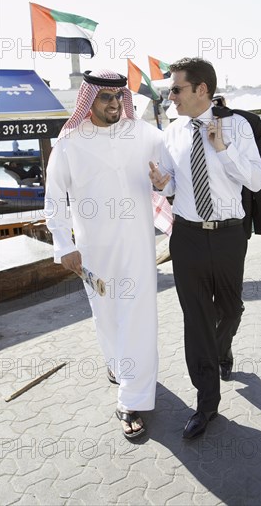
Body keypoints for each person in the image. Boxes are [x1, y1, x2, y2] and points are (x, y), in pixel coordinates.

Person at [149, 57, 261, 439]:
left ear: (202, 89)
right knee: (196, 319)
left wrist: (222, 148)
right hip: (187, 237)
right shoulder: (172, 131)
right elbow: (172, 187)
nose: (171, 96)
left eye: (177, 89)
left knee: (231, 307)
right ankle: (206, 403)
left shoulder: (238, 126)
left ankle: (222, 347)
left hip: (230, 235)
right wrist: (161, 182)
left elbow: (256, 179)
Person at [44, 69, 166, 439]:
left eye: (118, 97)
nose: (114, 104)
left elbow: (174, 165)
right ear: (89, 100)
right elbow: (54, 197)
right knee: (107, 313)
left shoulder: (143, 133)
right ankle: (118, 364)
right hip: (94, 251)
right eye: (105, 97)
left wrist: (166, 181)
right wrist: (64, 245)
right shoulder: (70, 143)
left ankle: (132, 397)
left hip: (138, 247)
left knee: (139, 316)